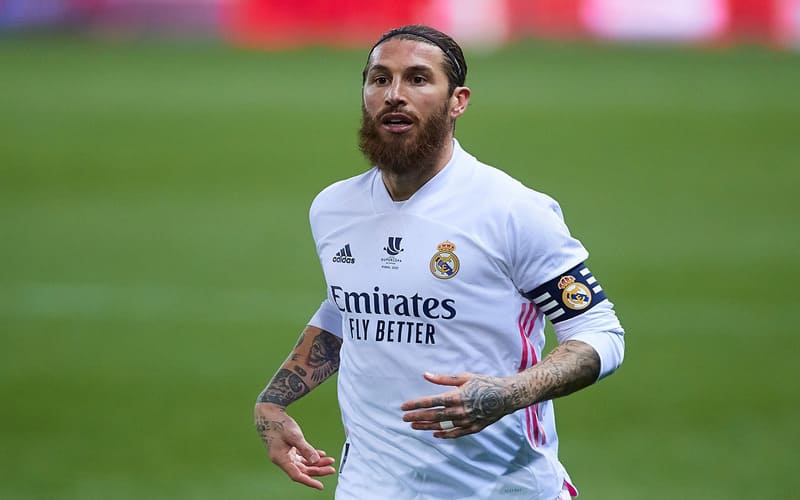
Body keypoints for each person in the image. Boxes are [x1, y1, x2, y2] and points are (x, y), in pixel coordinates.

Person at [254, 24, 625, 500]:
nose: (394, 94)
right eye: (380, 79)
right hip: (368, 488)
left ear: (458, 101)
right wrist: (273, 401)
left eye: (418, 79)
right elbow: (347, 308)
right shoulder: (333, 208)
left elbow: (599, 331)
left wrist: (511, 393)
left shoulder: (512, 209)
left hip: (502, 490)